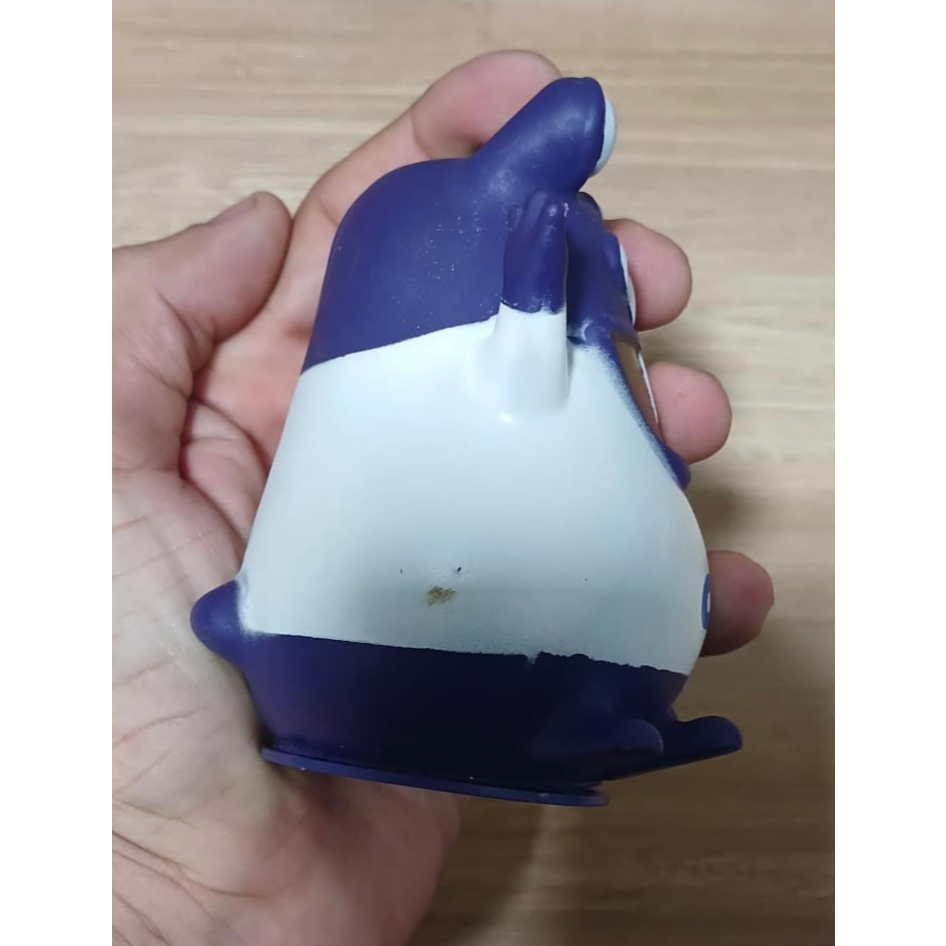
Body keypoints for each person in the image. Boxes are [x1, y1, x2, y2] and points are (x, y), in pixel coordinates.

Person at [113, 51, 774, 946]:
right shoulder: (510, 308)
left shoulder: (468, 286)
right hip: (596, 681)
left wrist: (148, 884)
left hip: (308, 672)